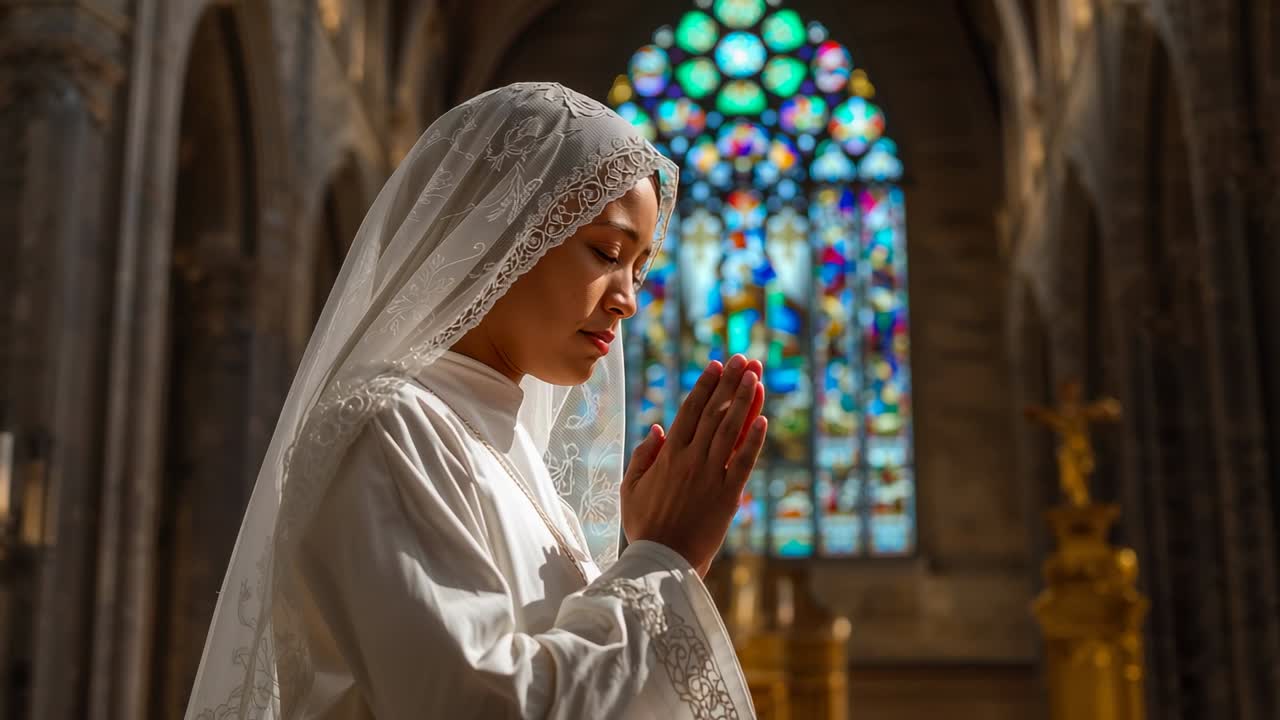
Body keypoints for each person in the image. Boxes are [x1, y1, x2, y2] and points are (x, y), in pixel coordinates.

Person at [185, 82, 768, 720]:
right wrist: (665, 558)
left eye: (639, 269)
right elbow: (480, 704)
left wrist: (648, 554)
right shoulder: (389, 425)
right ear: (502, 227)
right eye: (606, 252)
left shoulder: (516, 462)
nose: (627, 298)